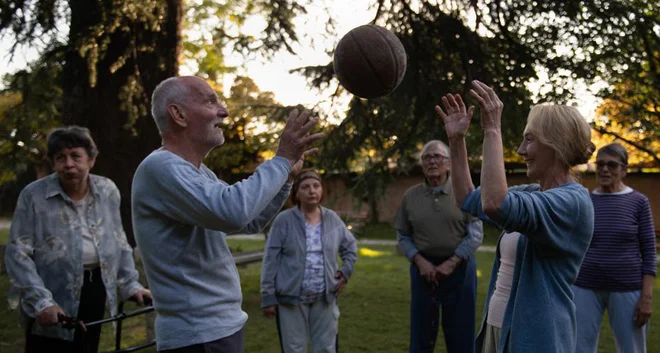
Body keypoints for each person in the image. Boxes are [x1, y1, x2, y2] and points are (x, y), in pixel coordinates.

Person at [131, 76, 322, 353]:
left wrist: (287, 179)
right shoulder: (160, 167)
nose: (224, 111)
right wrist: (280, 159)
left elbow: (248, 220)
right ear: (178, 114)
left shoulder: (199, 173)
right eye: (211, 101)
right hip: (197, 335)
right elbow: (233, 211)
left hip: (217, 328)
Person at [435, 80, 595, 353]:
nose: (521, 151)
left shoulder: (573, 203)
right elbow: (469, 198)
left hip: (536, 339)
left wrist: (492, 129)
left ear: (555, 144)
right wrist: (456, 140)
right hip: (498, 328)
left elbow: (496, 204)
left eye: (529, 139)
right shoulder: (534, 193)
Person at [5, 126, 151, 353]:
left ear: (91, 160)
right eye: (60, 158)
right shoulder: (33, 195)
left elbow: (118, 240)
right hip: (52, 289)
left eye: (75, 156)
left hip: (95, 289)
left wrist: (129, 284)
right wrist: (42, 301)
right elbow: (17, 253)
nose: (69, 164)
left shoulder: (107, 190)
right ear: (53, 163)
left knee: (86, 346)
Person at [393, 140, 484, 353]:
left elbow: (476, 233)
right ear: (422, 164)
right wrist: (419, 261)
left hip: (460, 269)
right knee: (421, 333)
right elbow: (403, 235)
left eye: (438, 157)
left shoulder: (465, 192)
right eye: (427, 157)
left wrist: (453, 262)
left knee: (461, 333)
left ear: (450, 163)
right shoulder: (410, 196)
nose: (432, 161)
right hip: (423, 270)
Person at [260, 169, 357, 353]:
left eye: (316, 186)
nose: (312, 191)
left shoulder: (332, 219)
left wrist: (345, 271)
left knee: (326, 349)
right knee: (294, 349)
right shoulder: (284, 221)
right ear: (296, 193)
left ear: (321, 190)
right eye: (305, 187)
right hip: (291, 300)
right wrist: (268, 296)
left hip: (325, 297)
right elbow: (270, 260)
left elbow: (350, 247)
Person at [572, 143, 657, 353]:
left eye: (612, 165)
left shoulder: (638, 202)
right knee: (577, 347)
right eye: (600, 164)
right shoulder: (586, 201)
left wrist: (646, 298)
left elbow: (648, 251)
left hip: (627, 288)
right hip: (585, 286)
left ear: (624, 169)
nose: (604, 169)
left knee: (632, 349)